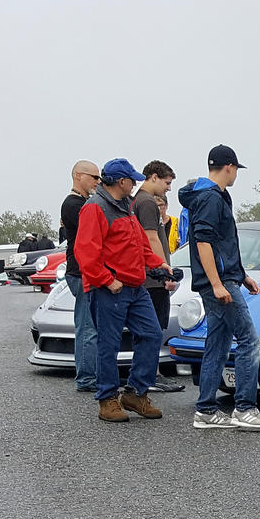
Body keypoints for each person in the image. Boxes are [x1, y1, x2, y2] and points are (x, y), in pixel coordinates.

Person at [183, 145, 260, 432]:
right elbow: (204, 242)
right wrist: (218, 283)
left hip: (225, 280)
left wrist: (241, 274)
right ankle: (244, 408)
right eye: (235, 170)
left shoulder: (215, 196)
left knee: (218, 343)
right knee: (249, 341)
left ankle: (206, 410)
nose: (236, 175)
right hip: (218, 284)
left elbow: (224, 243)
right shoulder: (210, 198)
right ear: (229, 167)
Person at [74, 158, 168, 423]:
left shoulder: (126, 205)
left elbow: (138, 243)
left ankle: (136, 393)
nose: (136, 183)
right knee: (108, 345)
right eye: (132, 179)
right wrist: (106, 280)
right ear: (122, 181)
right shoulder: (95, 208)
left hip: (135, 286)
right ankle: (107, 400)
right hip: (111, 289)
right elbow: (85, 252)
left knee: (151, 334)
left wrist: (157, 263)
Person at [133, 160, 185, 393]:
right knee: (153, 328)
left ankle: (147, 375)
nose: (168, 188)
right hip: (152, 279)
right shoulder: (146, 203)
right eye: (167, 182)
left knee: (149, 328)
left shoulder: (137, 201)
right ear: (153, 177)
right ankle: (151, 376)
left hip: (147, 275)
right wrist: (164, 270)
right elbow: (151, 238)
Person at [61, 159, 100, 393]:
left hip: (82, 271)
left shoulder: (82, 202)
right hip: (81, 272)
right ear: (78, 176)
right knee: (87, 328)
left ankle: (90, 374)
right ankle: (86, 378)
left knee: (89, 326)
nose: (98, 181)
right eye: (94, 177)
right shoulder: (74, 204)